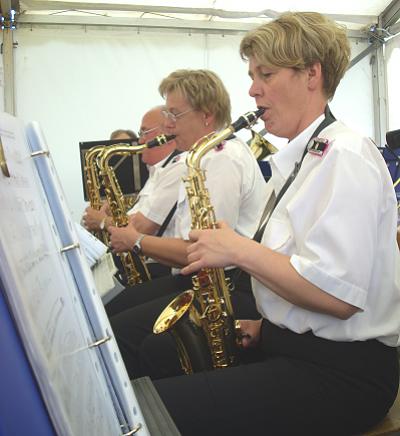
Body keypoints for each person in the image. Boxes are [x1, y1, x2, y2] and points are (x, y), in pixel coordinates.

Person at [117, 12, 400, 436]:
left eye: (265, 73)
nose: (252, 89)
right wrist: (266, 328)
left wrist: (236, 250)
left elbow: (338, 297)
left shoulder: (346, 155)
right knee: (157, 358)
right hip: (297, 347)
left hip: (344, 376)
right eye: (252, 75)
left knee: (148, 415)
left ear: (311, 74)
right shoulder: (305, 157)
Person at [106, 69, 267, 352]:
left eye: (174, 115)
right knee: (117, 314)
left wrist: (137, 242)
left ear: (206, 115)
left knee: (122, 332)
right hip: (203, 278)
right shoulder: (200, 157)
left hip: (225, 286)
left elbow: (203, 251)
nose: (167, 126)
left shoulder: (222, 159)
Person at [82, 106, 185, 278]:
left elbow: (141, 227)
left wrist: (101, 221)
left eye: (145, 132)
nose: (139, 141)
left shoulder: (177, 168)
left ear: (167, 134)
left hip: (154, 267)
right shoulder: (155, 172)